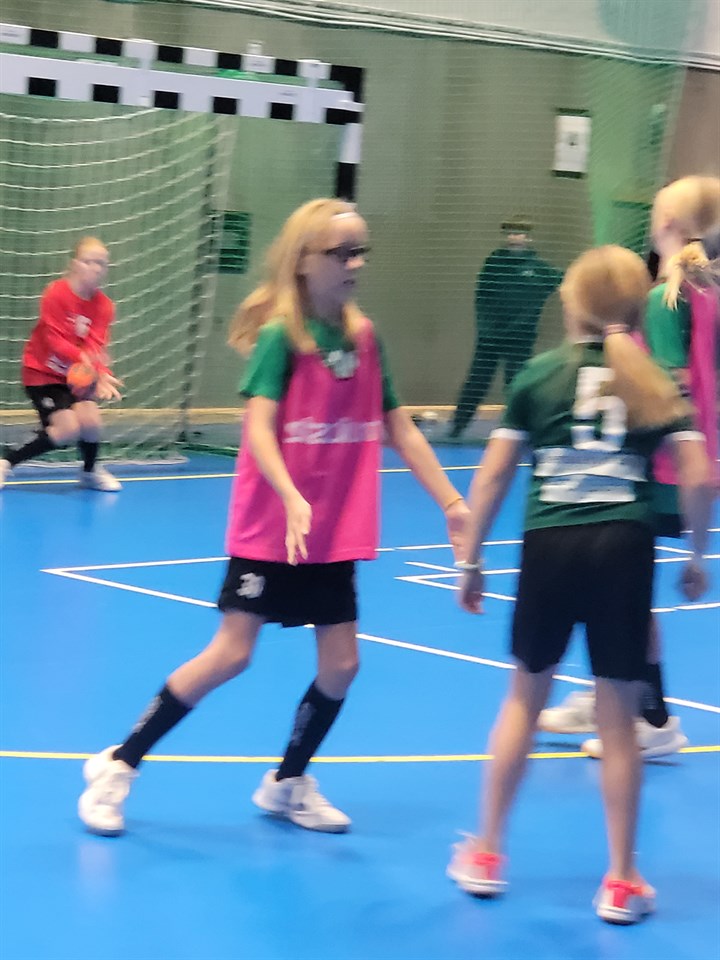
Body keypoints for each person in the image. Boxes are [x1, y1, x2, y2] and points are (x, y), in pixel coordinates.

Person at [78, 198, 470, 837]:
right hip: (272, 527)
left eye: (361, 251)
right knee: (232, 654)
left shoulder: (366, 340)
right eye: (340, 253)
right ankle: (119, 764)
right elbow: (258, 426)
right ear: (303, 261)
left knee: (342, 665)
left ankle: (287, 782)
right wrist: (288, 492)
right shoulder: (280, 338)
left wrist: (452, 502)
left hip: (331, 533)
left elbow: (396, 425)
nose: (355, 263)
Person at [447, 245, 712, 922]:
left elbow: (493, 476)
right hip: (624, 548)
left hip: (551, 546)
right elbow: (699, 474)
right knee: (618, 719)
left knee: (523, 699)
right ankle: (621, 880)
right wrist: (695, 554)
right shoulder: (654, 381)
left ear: (571, 304)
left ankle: (486, 851)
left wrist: (471, 560)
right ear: (635, 311)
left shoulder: (540, 375)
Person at [538, 176, 720, 758]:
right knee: (611, 583)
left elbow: (667, 383)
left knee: (622, 588)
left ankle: (653, 717)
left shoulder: (666, 298)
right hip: (685, 457)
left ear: (665, 225)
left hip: (661, 464)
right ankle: (610, 690)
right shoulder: (705, 291)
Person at [0, 236, 122, 491]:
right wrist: (86, 361)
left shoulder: (105, 306)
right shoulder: (55, 293)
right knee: (67, 429)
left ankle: (89, 472)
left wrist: (100, 372)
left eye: (101, 263)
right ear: (74, 264)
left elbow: (96, 345)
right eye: (89, 261)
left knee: (91, 423)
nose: (96, 268)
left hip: (76, 376)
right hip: (42, 374)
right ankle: (6, 463)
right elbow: (55, 341)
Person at [448, 218, 563, 439]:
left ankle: (516, 430)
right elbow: (482, 297)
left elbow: (565, 281)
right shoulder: (493, 264)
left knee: (517, 384)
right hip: (490, 338)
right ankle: (457, 427)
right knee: (477, 381)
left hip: (520, 340)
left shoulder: (539, 269)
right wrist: (486, 329)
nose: (514, 236)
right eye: (510, 232)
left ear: (528, 237)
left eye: (519, 232)